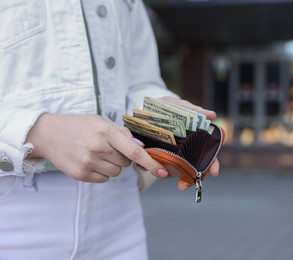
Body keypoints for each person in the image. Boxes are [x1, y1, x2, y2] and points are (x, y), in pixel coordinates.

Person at [0, 1, 220, 259]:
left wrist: (161, 114)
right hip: (12, 220)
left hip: (120, 219)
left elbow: (139, 81)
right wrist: (38, 133)